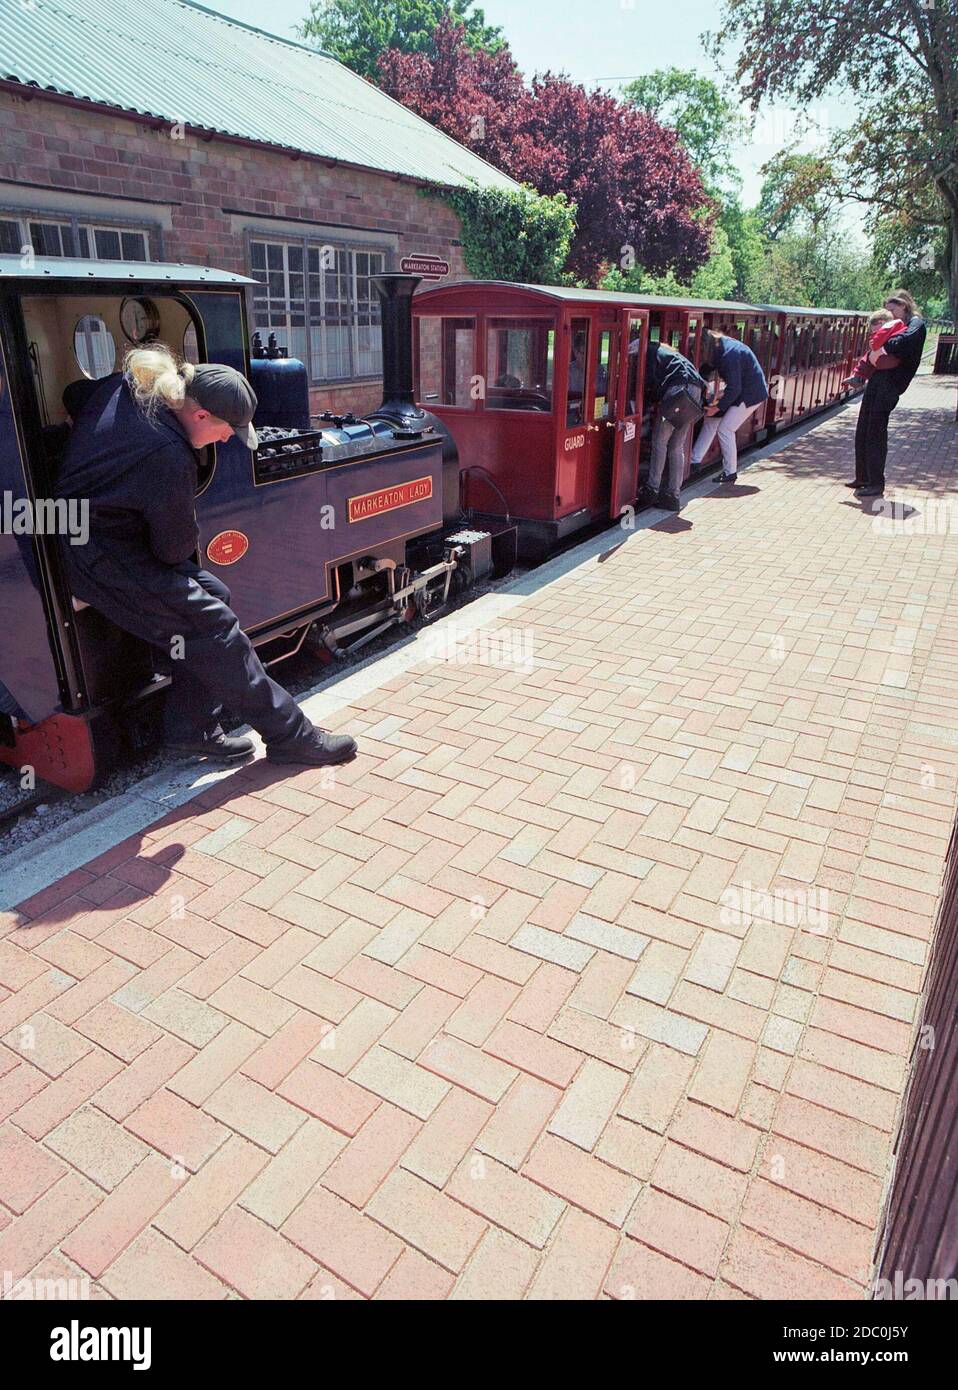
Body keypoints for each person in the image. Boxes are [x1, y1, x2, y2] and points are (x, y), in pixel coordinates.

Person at [54, 344, 357, 767]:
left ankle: (191, 729)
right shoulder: (166, 453)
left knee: (216, 595)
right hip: (99, 554)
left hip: (92, 533)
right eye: (224, 431)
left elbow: (74, 395)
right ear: (199, 415)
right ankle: (291, 736)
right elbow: (174, 548)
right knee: (213, 623)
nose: (225, 439)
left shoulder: (130, 387)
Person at [852, 290, 927, 498]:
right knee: (864, 428)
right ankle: (863, 477)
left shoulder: (916, 325)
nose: (890, 315)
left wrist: (883, 342)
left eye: (892, 310)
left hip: (890, 382)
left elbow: (899, 344)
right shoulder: (896, 326)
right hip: (878, 378)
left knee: (876, 431)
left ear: (904, 306)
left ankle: (876, 482)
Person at [690, 329, 769, 484]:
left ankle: (730, 472)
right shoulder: (722, 348)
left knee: (726, 428)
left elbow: (735, 388)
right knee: (712, 421)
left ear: (705, 347)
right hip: (742, 391)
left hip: (750, 394)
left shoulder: (729, 355)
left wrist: (717, 407)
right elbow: (709, 370)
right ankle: (694, 460)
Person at [638, 337, 706, 512]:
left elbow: (649, 382)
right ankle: (673, 495)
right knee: (676, 445)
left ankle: (652, 488)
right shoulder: (670, 354)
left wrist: (645, 405)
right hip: (694, 392)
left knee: (660, 440)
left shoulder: (651, 352)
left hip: (678, 392)